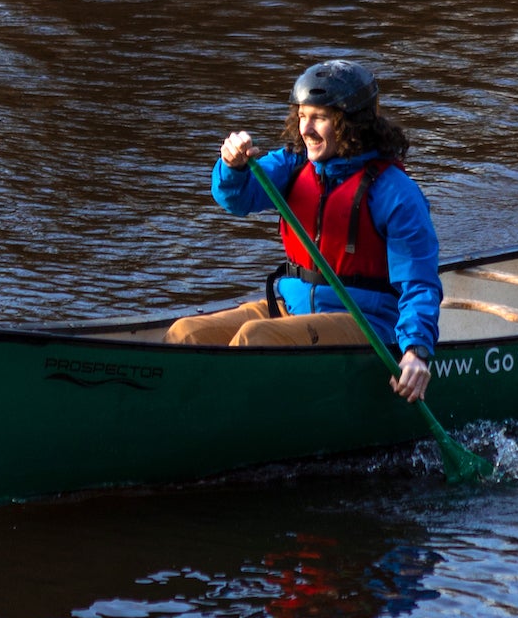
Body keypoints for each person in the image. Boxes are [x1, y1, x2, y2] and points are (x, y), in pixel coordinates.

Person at [165, 60, 442, 403]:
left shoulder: (396, 193)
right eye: (302, 116)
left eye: (319, 118)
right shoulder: (293, 165)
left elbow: (420, 282)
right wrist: (232, 167)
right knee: (186, 333)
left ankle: (215, 422)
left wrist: (416, 350)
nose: (306, 129)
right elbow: (238, 197)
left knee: (257, 338)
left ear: (351, 125)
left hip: (365, 322)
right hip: (292, 307)